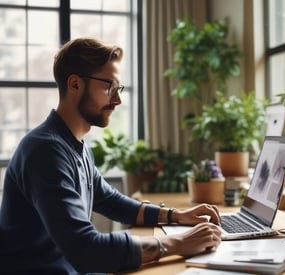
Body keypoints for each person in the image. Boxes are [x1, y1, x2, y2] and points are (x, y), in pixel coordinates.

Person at [0, 38, 222, 274]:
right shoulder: (45, 151)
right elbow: (86, 250)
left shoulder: (75, 146)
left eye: (118, 88)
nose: (117, 100)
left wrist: (176, 216)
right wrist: (178, 243)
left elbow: (109, 200)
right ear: (75, 85)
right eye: (109, 87)